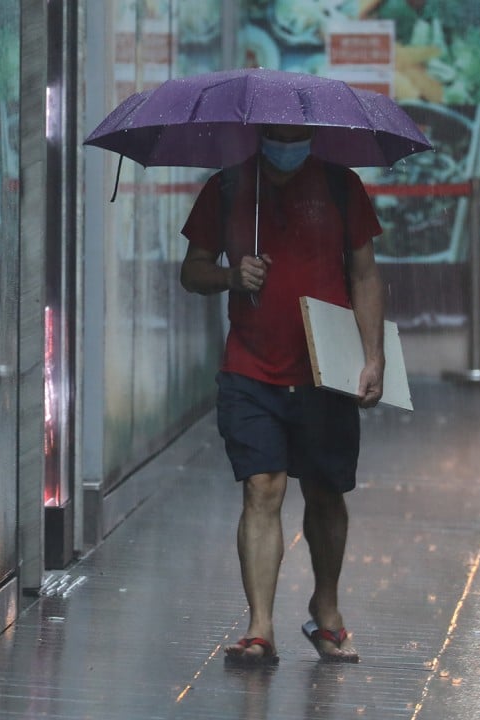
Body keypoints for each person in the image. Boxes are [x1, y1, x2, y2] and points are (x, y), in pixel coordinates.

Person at [179, 123, 384, 666]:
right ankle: (260, 628)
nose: (289, 143)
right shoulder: (226, 189)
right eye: (280, 133)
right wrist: (231, 276)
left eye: (300, 133)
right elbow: (192, 271)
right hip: (249, 370)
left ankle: (327, 609)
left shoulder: (342, 186)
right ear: (261, 132)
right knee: (261, 489)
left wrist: (373, 356)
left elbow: (364, 276)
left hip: (326, 369)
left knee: (324, 493)